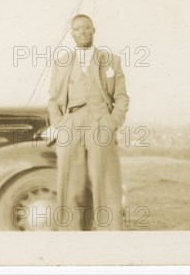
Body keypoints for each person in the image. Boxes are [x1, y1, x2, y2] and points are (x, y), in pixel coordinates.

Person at [47, 14, 129, 231]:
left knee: (105, 180)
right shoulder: (62, 62)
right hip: (70, 123)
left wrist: (111, 123)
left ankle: (110, 235)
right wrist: (60, 124)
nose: (82, 32)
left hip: (100, 120)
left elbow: (121, 97)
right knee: (70, 181)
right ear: (71, 33)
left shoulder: (111, 61)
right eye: (77, 29)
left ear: (94, 30)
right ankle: (71, 235)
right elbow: (53, 99)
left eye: (86, 28)